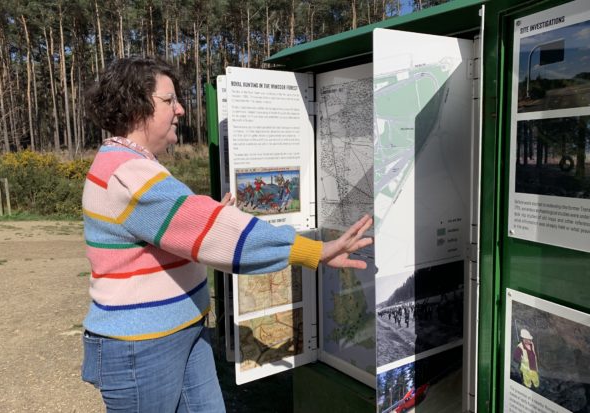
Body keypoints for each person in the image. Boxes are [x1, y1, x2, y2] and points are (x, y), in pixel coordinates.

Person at [81, 56, 373, 413]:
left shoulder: (127, 164)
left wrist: (203, 220)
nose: (181, 110)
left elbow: (170, 231)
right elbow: (215, 233)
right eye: (169, 100)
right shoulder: (129, 174)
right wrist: (313, 251)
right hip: (142, 347)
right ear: (134, 106)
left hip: (179, 329)